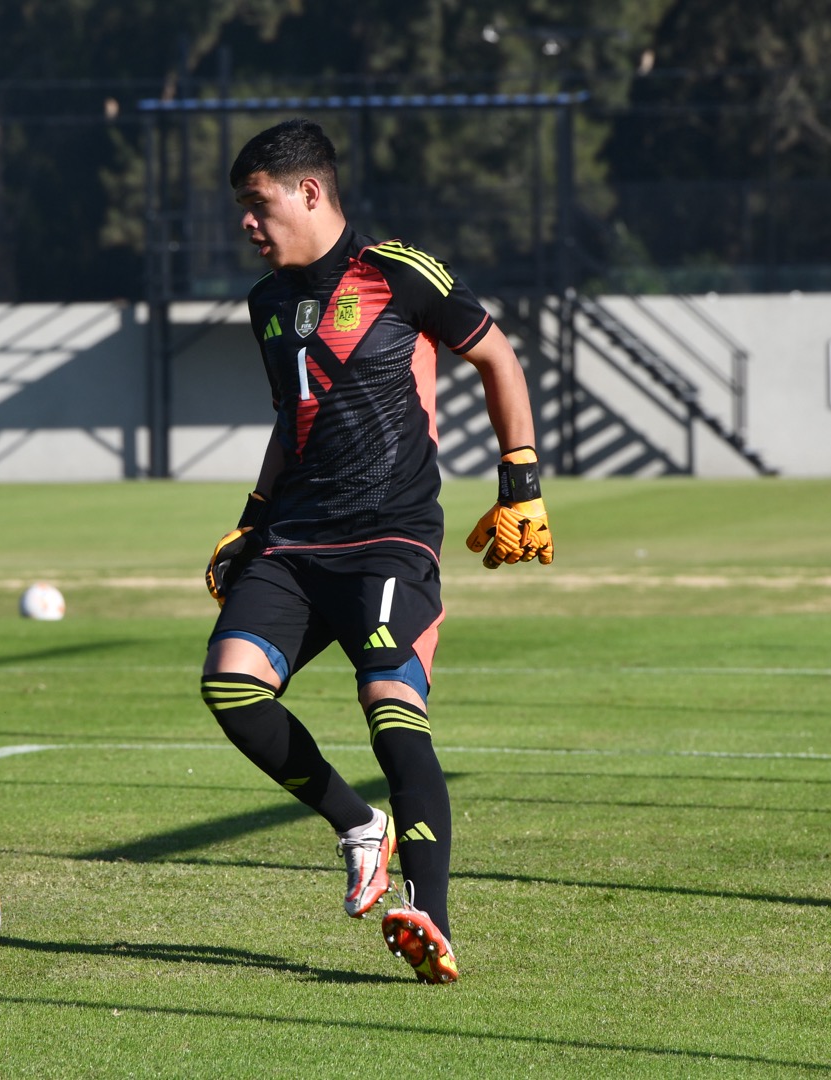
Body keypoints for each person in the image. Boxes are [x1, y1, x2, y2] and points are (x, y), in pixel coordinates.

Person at [199, 118, 553, 985]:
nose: (247, 223)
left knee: (391, 705)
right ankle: (359, 825)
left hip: (391, 540)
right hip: (295, 540)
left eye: (258, 204)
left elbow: (498, 358)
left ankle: (428, 916)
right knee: (231, 688)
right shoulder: (268, 305)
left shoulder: (399, 273)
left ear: (309, 192)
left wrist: (522, 482)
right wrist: (252, 519)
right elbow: (295, 417)